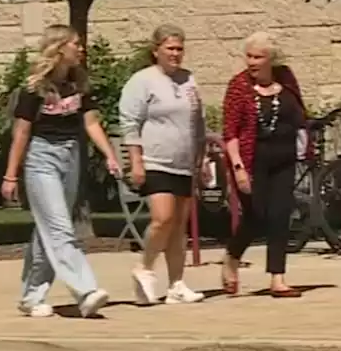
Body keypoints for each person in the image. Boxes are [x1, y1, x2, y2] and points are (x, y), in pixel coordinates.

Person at [0, 24, 122, 318]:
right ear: (59, 48)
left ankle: (31, 296)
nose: (81, 49)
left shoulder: (79, 84)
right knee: (59, 229)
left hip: (71, 155)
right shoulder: (34, 88)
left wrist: (110, 155)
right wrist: (11, 174)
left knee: (48, 231)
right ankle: (86, 290)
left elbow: (91, 123)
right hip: (41, 158)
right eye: (75, 44)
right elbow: (22, 132)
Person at [118, 24, 209, 305]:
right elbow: (130, 122)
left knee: (179, 225)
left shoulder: (189, 80)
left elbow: (198, 122)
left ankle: (176, 284)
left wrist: (202, 158)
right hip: (155, 160)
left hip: (184, 161)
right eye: (170, 48)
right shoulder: (142, 80)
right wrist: (136, 161)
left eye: (180, 49)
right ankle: (144, 268)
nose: (175, 54)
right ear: (156, 50)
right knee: (163, 218)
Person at [220, 31, 306, 298]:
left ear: (272, 60)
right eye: (249, 56)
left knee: (280, 215)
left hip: (285, 157)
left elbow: (299, 113)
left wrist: (305, 139)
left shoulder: (286, 79)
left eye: (259, 57)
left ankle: (277, 278)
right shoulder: (238, 86)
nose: (252, 62)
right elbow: (230, 133)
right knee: (256, 215)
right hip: (251, 159)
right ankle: (232, 257)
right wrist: (237, 168)